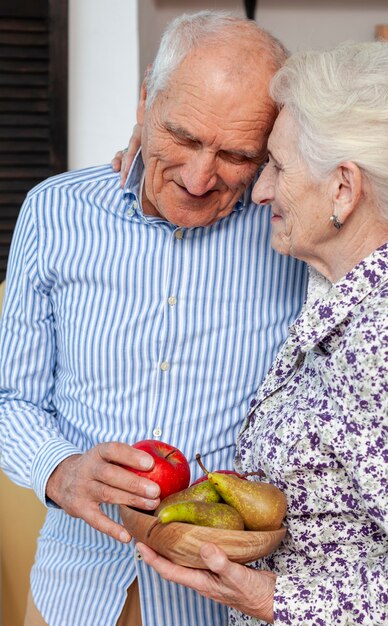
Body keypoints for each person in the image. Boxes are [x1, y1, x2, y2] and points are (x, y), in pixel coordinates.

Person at [0, 11, 308, 626]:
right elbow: (11, 397)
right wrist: (59, 471)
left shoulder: (297, 231)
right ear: (146, 98)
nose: (199, 178)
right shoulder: (54, 212)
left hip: (225, 605)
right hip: (74, 591)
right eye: (185, 137)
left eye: (236, 154)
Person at [135, 40, 388, 626]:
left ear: (344, 187)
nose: (260, 191)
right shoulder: (338, 286)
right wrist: (154, 142)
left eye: (280, 168)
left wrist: (270, 599)